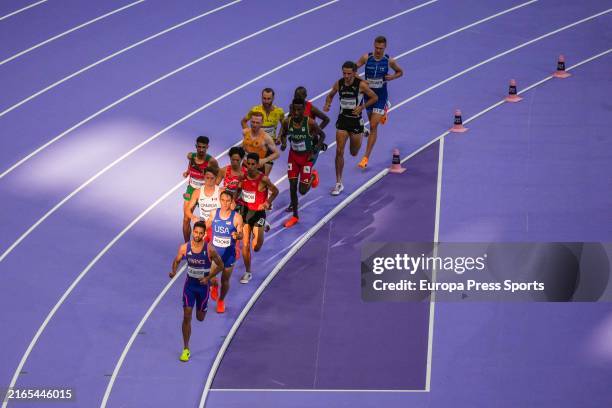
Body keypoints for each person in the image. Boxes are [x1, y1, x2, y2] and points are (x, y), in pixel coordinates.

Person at [169, 221, 223, 362]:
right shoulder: (184, 248)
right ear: (193, 232)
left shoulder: (209, 250)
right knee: (187, 315)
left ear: (204, 234)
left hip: (203, 287)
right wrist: (173, 271)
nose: (197, 235)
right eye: (196, 232)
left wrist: (209, 277)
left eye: (200, 233)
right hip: (190, 286)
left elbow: (221, 265)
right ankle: (186, 349)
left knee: (200, 318)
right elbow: (176, 260)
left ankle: (213, 287)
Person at [324, 61, 378, 196]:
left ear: (354, 73)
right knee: (339, 151)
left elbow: (374, 97)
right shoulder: (339, 83)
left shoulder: (361, 85)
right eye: (344, 73)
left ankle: (363, 130)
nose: (346, 76)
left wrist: (362, 107)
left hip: (355, 122)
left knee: (353, 152)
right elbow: (330, 94)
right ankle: (338, 183)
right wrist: (327, 104)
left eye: (349, 74)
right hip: (342, 121)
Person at [355, 36, 403, 168]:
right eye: (376, 47)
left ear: (385, 47)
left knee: (373, 126)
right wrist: (360, 80)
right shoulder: (366, 58)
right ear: (373, 45)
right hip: (368, 96)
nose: (378, 50)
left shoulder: (389, 61)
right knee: (372, 123)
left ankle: (365, 158)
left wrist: (392, 77)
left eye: (381, 48)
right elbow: (353, 69)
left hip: (380, 97)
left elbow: (400, 72)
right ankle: (384, 111)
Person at [280, 98, 323, 227]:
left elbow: (323, 135)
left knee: (302, 190)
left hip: (306, 159)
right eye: (294, 109)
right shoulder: (287, 122)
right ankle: (295, 216)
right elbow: (283, 134)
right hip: (293, 157)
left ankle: (312, 176)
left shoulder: (310, 123)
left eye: (299, 110)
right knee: (292, 187)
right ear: (291, 109)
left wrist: (316, 148)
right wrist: (283, 143)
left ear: (304, 110)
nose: (296, 112)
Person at [285, 86, 329, 213]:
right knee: (293, 182)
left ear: (305, 97)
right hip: (296, 149)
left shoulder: (311, 108)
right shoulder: (292, 108)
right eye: (295, 96)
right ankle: (294, 204)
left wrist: (315, 133)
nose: (297, 98)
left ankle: (311, 176)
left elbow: (326, 119)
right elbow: (288, 123)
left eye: (299, 97)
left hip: (311, 148)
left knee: (302, 189)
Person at [238, 152, 279, 283]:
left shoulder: (263, 179)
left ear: (257, 165)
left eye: (253, 164)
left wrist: (268, 202)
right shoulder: (242, 177)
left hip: (258, 214)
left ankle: (263, 226)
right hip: (244, 212)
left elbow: (275, 191)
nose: (250, 166)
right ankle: (248, 271)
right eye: (248, 164)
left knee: (256, 247)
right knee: (245, 244)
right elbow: (238, 191)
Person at [205, 191, 243, 313]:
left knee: (225, 280)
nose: (225, 203)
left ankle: (221, 300)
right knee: (211, 277)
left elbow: (241, 233)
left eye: (228, 201)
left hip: (229, 255)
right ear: (219, 200)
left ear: (232, 201)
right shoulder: (213, 213)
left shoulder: (236, 217)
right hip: (215, 255)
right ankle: (214, 286)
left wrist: (238, 235)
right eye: (223, 200)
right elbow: (206, 225)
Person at [181, 136, 218, 242]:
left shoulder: (211, 161)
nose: (201, 150)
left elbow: (218, 174)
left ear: (207, 147)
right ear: (196, 146)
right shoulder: (190, 156)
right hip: (191, 189)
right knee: (186, 219)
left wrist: (213, 187)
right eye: (199, 147)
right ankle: (187, 245)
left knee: (209, 221)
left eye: (204, 147)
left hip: (204, 192)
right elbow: (191, 163)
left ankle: (209, 245)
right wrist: (188, 171)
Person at [185, 167, 221, 243]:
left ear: (216, 178)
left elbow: (231, 209)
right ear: (204, 177)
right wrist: (193, 217)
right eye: (207, 178)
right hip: (204, 225)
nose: (209, 180)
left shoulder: (221, 192)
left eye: (212, 178)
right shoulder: (197, 192)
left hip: (218, 225)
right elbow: (187, 210)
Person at [241, 111, 279, 176]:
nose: (254, 125)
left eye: (257, 123)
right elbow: (245, 145)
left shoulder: (266, 137)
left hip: (258, 169)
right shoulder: (245, 132)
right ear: (250, 121)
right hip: (245, 165)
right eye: (253, 122)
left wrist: (264, 160)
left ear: (262, 123)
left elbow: (277, 154)